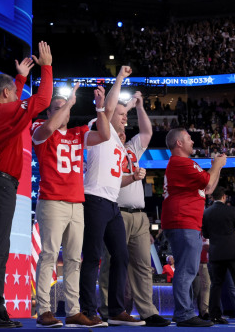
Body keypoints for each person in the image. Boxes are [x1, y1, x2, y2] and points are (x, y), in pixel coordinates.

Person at [0, 41, 53, 328]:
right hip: (0, 187)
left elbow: (13, 106)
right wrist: (47, 67)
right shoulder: (4, 113)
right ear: (6, 94)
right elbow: (42, 102)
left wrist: (19, 78)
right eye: (14, 92)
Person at [31, 84, 110, 328]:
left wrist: (100, 107)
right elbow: (47, 127)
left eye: (64, 108)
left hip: (77, 203)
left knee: (75, 258)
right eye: (57, 108)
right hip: (52, 200)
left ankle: (74, 311)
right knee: (49, 255)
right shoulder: (39, 128)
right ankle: (44, 309)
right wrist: (69, 102)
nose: (63, 111)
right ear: (49, 112)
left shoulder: (78, 132)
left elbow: (105, 135)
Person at [98, 92, 171, 327]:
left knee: (142, 264)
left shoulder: (131, 147)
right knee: (111, 262)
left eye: (125, 117)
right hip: (115, 210)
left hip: (139, 214)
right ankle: (108, 309)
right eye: (120, 116)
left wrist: (139, 106)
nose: (124, 122)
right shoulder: (102, 143)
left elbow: (148, 132)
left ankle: (148, 311)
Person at [79, 66, 145, 327]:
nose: (125, 117)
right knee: (93, 255)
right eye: (122, 114)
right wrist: (119, 79)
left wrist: (134, 178)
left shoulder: (118, 141)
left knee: (121, 255)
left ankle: (117, 310)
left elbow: (116, 179)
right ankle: (88, 309)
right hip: (93, 199)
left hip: (111, 202)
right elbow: (108, 110)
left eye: (125, 114)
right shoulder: (98, 126)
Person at [162, 127, 226, 327]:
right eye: (189, 138)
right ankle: (184, 314)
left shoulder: (180, 164)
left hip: (184, 221)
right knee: (186, 270)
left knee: (185, 269)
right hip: (184, 220)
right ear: (179, 143)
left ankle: (183, 311)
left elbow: (207, 189)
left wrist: (219, 168)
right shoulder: (181, 162)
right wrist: (216, 164)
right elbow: (207, 180)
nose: (192, 141)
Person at [201, 187, 235, 325]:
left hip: (215, 253)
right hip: (232, 252)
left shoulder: (206, 212)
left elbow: (206, 234)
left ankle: (215, 316)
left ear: (212, 198)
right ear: (224, 197)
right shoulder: (231, 210)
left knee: (216, 285)